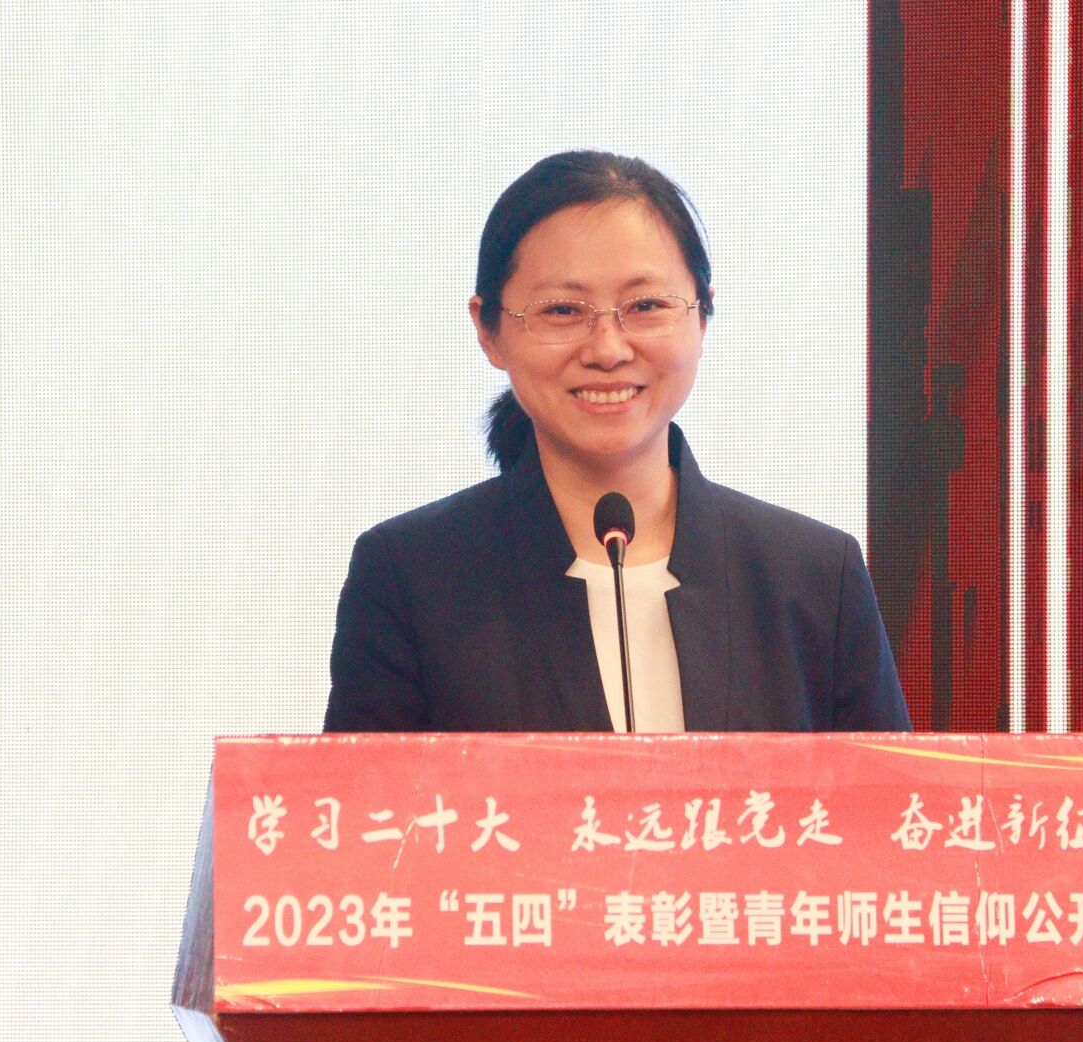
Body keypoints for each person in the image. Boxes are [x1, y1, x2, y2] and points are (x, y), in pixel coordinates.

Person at [324, 150, 909, 734]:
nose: (607, 349)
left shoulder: (814, 577)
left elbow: (886, 790)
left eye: (646, 306)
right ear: (489, 330)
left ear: (703, 316)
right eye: (562, 310)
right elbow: (360, 793)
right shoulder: (410, 577)